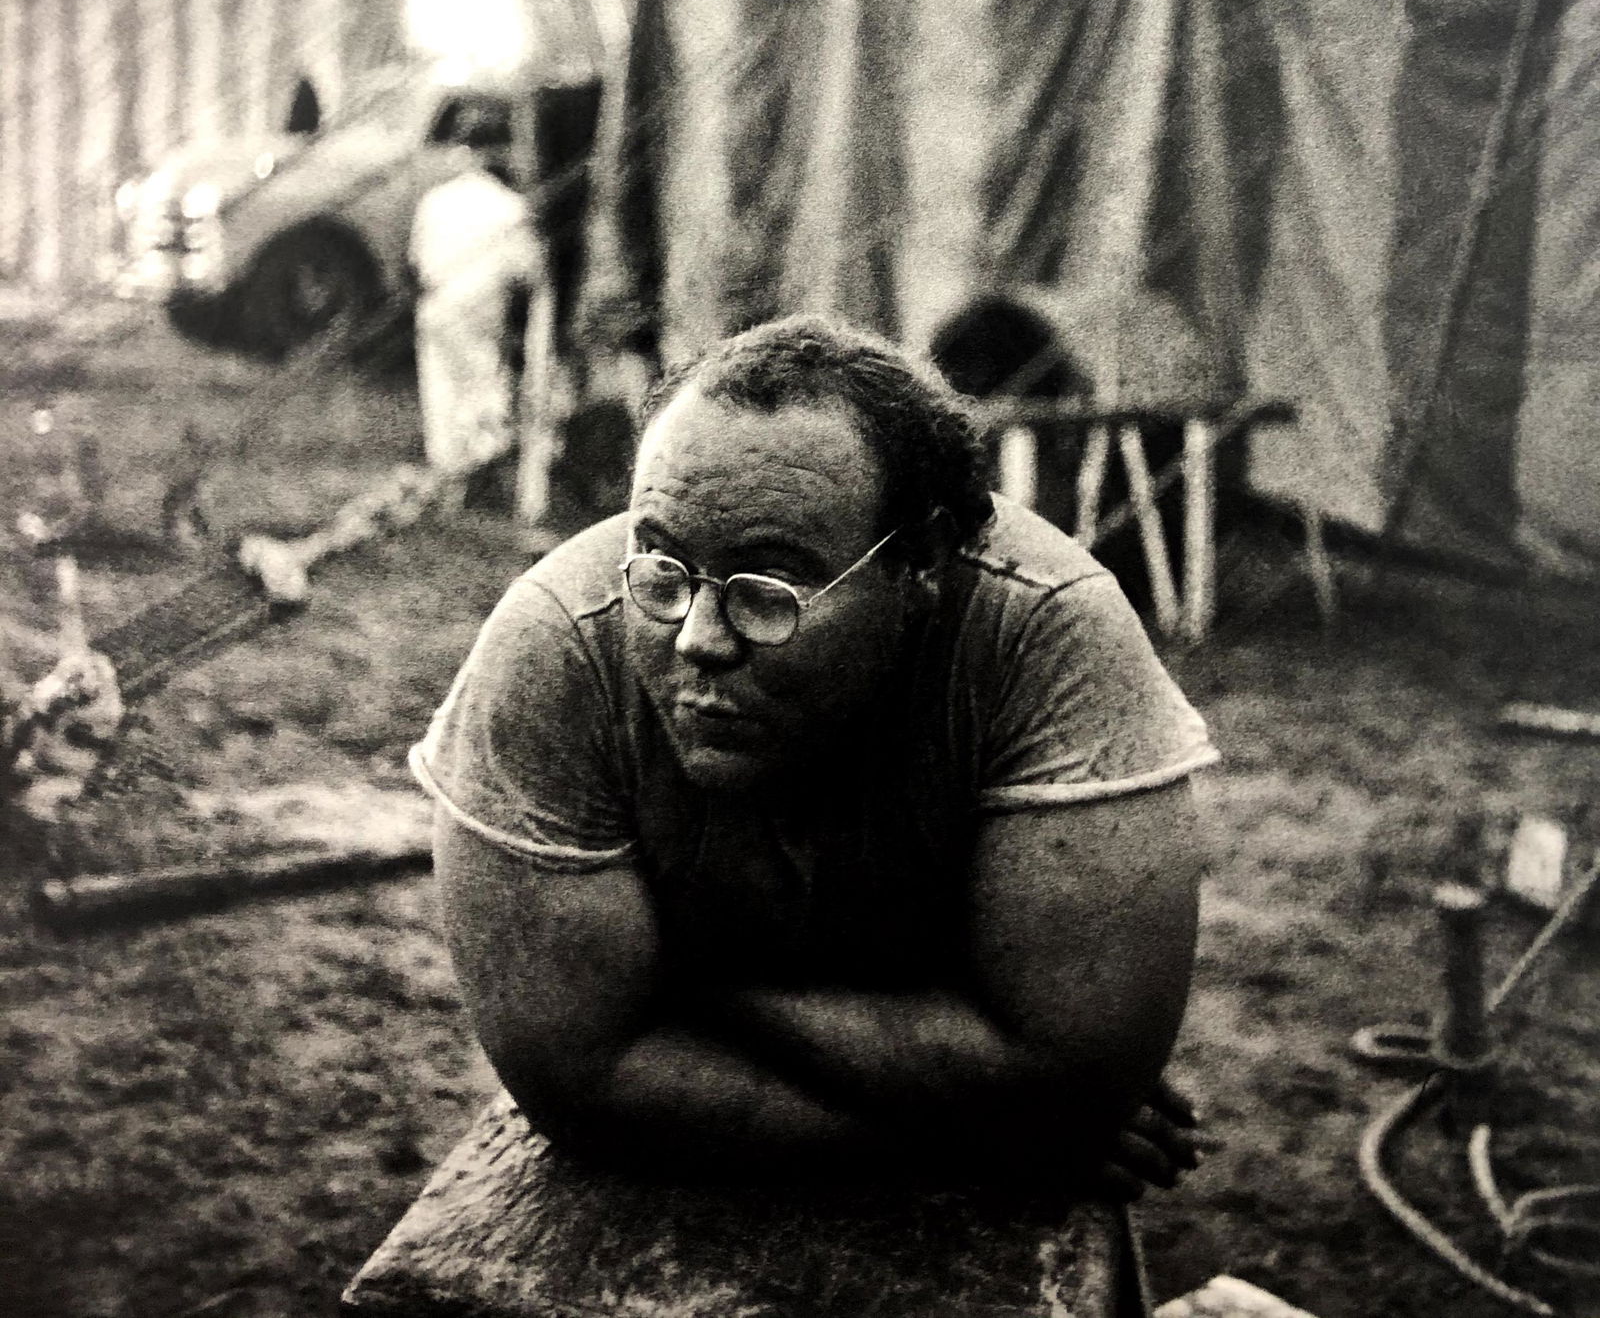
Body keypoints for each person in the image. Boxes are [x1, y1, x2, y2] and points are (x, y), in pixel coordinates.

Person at [412, 314, 1218, 1201]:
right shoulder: (557, 643)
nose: (699, 639)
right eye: (663, 561)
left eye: (770, 586)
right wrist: (979, 1141)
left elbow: (1073, 1071)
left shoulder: (1045, 629)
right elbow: (580, 1081)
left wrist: (687, 984)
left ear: (921, 561)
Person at [408, 110, 542, 499]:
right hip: (483, 305)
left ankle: (452, 476)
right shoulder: (511, 206)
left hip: (439, 303)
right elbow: (527, 271)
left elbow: (417, 261)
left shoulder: (435, 200)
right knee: (484, 385)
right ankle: (479, 471)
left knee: (443, 389)